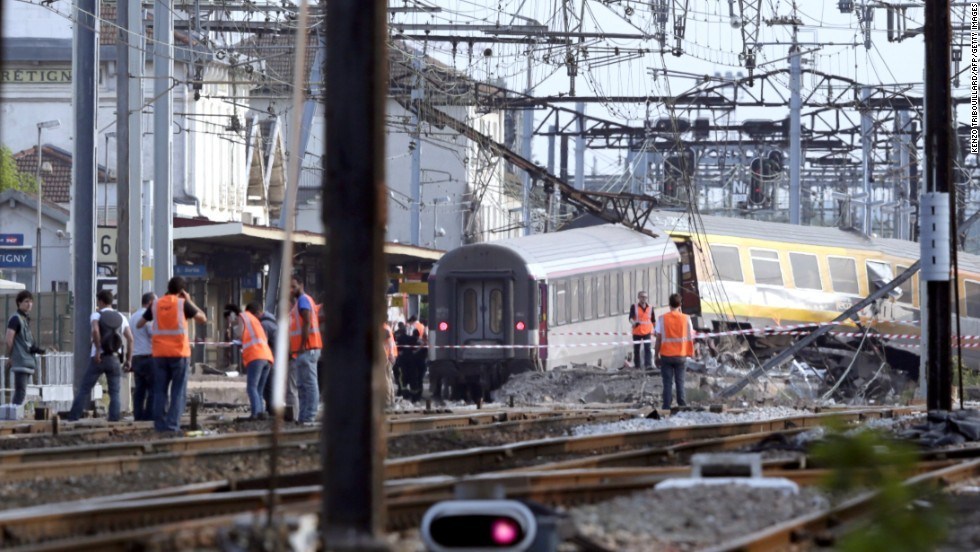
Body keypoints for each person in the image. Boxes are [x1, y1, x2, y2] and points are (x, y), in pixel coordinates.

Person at [137, 277, 207, 433]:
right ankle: (172, 425)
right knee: (178, 390)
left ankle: (160, 426)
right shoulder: (182, 304)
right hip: (178, 353)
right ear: (182, 291)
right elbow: (203, 318)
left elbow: (139, 324)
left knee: (159, 390)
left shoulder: (156, 304)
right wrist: (190, 300)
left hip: (159, 354)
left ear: (168, 288)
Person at [68, 290, 134, 422]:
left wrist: (98, 349)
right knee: (114, 392)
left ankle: (74, 417)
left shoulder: (96, 315)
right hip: (115, 358)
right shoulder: (121, 317)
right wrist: (129, 360)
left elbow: (95, 330)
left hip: (98, 358)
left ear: (100, 301)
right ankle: (114, 419)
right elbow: (130, 339)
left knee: (85, 389)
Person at [229, 303, 273, 420]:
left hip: (256, 356)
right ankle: (260, 414)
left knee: (251, 387)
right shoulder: (255, 320)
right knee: (259, 389)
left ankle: (255, 414)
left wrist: (237, 336)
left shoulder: (243, 316)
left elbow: (240, 334)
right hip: (267, 357)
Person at [654, 293, 697, 410]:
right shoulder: (686, 318)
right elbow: (691, 336)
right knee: (680, 382)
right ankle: (682, 406)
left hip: (666, 356)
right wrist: (692, 352)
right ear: (680, 304)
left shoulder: (662, 319)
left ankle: (666, 407)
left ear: (669, 304)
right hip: (681, 355)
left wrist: (656, 356)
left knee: (667, 383)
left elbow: (658, 339)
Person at [289, 276, 322, 424]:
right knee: (302, 385)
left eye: (293, 286)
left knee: (308, 384)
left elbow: (307, 322)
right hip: (304, 350)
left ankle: (309, 417)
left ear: (301, 285)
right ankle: (303, 417)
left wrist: (302, 345)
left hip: (307, 348)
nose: (291, 290)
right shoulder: (303, 301)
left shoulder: (303, 300)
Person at [4, 291, 44, 406]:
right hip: (20, 360)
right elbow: (9, 339)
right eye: (26, 301)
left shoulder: (24, 319)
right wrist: (10, 356)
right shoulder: (15, 319)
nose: (29, 304)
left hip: (26, 361)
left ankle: (15, 411)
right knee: (20, 392)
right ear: (19, 303)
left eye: (31, 302)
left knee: (22, 392)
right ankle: (13, 413)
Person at [129, 292, 156, 421]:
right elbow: (153, 334)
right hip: (148, 357)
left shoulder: (133, 317)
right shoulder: (147, 316)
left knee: (139, 389)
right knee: (153, 389)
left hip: (136, 357)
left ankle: (138, 415)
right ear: (150, 302)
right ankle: (149, 416)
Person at [249, 302, 278, 414]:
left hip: (269, 358)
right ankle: (265, 411)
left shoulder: (264, 325)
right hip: (272, 357)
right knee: (265, 387)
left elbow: (261, 343)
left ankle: (268, 411)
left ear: (257, 313)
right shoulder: (271, 321)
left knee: (264, 387)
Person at [629, 291, 654, 370]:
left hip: (647, 331)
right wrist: (633, 323)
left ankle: (648, 365)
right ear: (638, 298)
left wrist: (655, 330)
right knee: (636, 349)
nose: (644, 298)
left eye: (645, 297)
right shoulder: (634, 306)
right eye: (642, 297)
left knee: (647, 348)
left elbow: (653, 320)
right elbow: (630, 318)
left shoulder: (650, 307)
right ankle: (637, 366)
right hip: (637, 331)